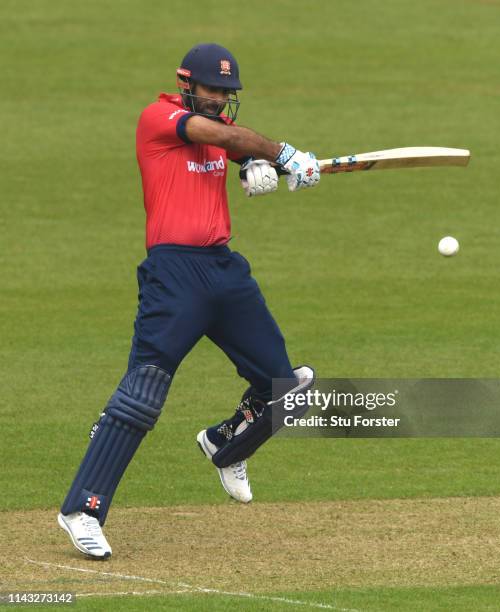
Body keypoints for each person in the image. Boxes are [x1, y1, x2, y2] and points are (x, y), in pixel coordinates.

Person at [57, 43, 318, 559]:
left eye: (226, 92)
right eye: (211, 89)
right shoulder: (159, 118)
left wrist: (255, 169)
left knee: (289, 388)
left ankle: (226, 444)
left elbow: (232, 147)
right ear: (186, 85)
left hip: (225, 271)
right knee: (142, 397)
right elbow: (222, 136)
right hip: (174, 275)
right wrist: (281, 153)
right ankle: (82, 511)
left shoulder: (220, 133)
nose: (220, 99)